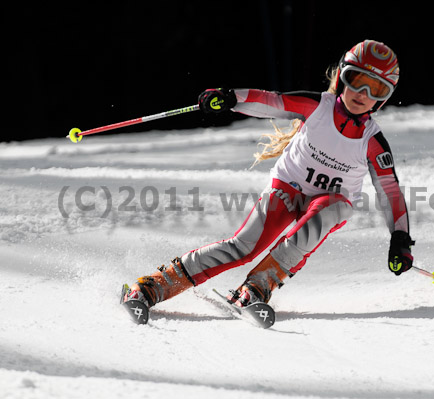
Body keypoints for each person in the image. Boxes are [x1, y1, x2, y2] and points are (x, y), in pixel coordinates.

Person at [121, 39, 415, 318]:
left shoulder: (372, 141)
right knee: (243, 247)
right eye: (356, 80)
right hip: (288, 190)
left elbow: (389, 190)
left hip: (328, 202)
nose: (363, 93)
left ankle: (257, 288)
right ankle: (155, 285)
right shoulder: (318, 107)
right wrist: (231, 98)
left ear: (384, 98)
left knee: (334, 208)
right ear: (341, 77)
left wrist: (400, 238)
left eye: (376, 88)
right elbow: (272, 102)